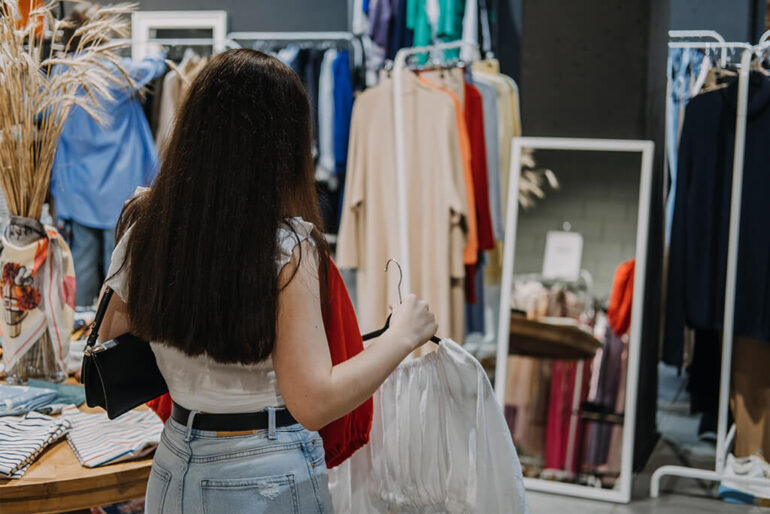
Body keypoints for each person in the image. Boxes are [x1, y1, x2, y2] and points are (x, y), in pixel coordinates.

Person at [98, 49, 439, 513]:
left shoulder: (146, 230)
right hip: (264, 473)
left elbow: (111, 339)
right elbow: (314, 401)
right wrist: (401, 336)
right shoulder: (285, 247)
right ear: (284, 144)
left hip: (176, 462)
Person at [50, 3, 167, 307]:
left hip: (78, 190)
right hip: (120, 188)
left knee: (82, 268)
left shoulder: (61, 74)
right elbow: (152, 67)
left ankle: (79, 340)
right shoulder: (114, 71)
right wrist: (156, 50)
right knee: (119, 270)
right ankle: (110, 342)